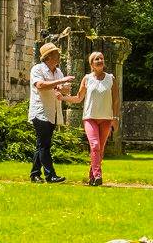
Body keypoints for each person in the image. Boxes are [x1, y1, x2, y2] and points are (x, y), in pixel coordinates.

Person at [27, 42, 74, 183]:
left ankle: (35, 174)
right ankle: (50, 175)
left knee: (42, 144)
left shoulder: (58, 71)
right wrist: (60, 82)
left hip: (53, 112)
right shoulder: (37, 69)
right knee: (44, 145)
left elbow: (64, 89)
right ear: (48, 57)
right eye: (56, 54)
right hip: (40, 112)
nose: (59, 56)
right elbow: (40, 86)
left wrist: (64, 88)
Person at [70, 50, 118, 186]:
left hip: (106, 118)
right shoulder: (87, 78)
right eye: (96, 59)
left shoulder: (111, 78)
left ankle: (92, 176)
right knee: (95, 145)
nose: (100, 61)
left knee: (100, 149)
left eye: (101, 58)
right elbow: (79, 97)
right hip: (90, 117)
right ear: (91, 64)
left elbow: (115, 100)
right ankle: (98, 175)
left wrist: (115, 118)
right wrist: (63, 97)